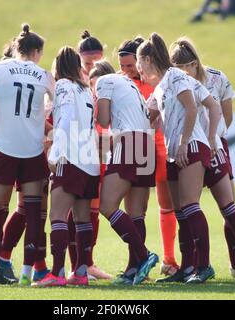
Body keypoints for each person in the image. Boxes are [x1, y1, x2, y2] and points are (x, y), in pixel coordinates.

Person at [0, 23, 54, 287]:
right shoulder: (44, 75)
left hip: (3, 148)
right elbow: (56, 109)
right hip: (33, 151)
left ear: (17, 48)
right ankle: (27, 274)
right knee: (32, 210)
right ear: (36, 51)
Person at [169, 37, 235, 281]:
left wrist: (212, 138)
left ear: (194, 63)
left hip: (214, 147)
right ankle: (192, 265)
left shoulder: (217, 78)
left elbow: (225, 117)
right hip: (187, 150)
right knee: (187, 209)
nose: (182, 72)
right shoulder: (173, 82)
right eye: (177, 68)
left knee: (228, 206)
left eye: (186, 66)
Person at [137, 33, 216, 284]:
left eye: (139, 62)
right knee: (180, 212)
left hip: (190, 146)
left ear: (148, 59)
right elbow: (145, 116)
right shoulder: (159, 86)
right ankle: (187, 266)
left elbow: (192, 107)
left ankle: (203, 266)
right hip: (174, 152)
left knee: (191, 206)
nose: (138, 68)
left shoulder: (175, 76)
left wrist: (183, 142)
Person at [33, 46, 101, 287]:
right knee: (82, 219)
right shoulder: (85, 90)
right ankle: (80, 272)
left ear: (58, 66)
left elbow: (65, 119)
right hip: (89, 160)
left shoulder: (63, 86)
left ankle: (58, 273)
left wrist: (55, 153)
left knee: (58, 216)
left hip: (70, 157)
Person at [89, 60, 159, 286]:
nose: (93, 91)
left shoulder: (103, 81)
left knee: (107, 206)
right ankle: (133, 269)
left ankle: (143, 255)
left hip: (129, 142)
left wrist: (95, 106)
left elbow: (104, 120)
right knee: (136, 213)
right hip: (146, 144)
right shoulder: (128, 84)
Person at [118, 36, 180, 276]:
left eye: (130, 66)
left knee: (168, 206)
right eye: (121, 66)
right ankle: (136, 263)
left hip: (161, 147)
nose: (125, 71)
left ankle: (170, 260)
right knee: (136, 209)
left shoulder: (157, 80)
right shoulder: (120, 83)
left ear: (142, 62)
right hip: (137, 150)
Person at [65, 30, 111, 280]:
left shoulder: (106, 78)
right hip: (77, 148)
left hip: (100, 146)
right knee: (76, 206)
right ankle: (75, 266)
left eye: (96, 62)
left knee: (93, 206)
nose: (92, 67)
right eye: (87, 63)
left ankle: (87, 263)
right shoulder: (70, 82)